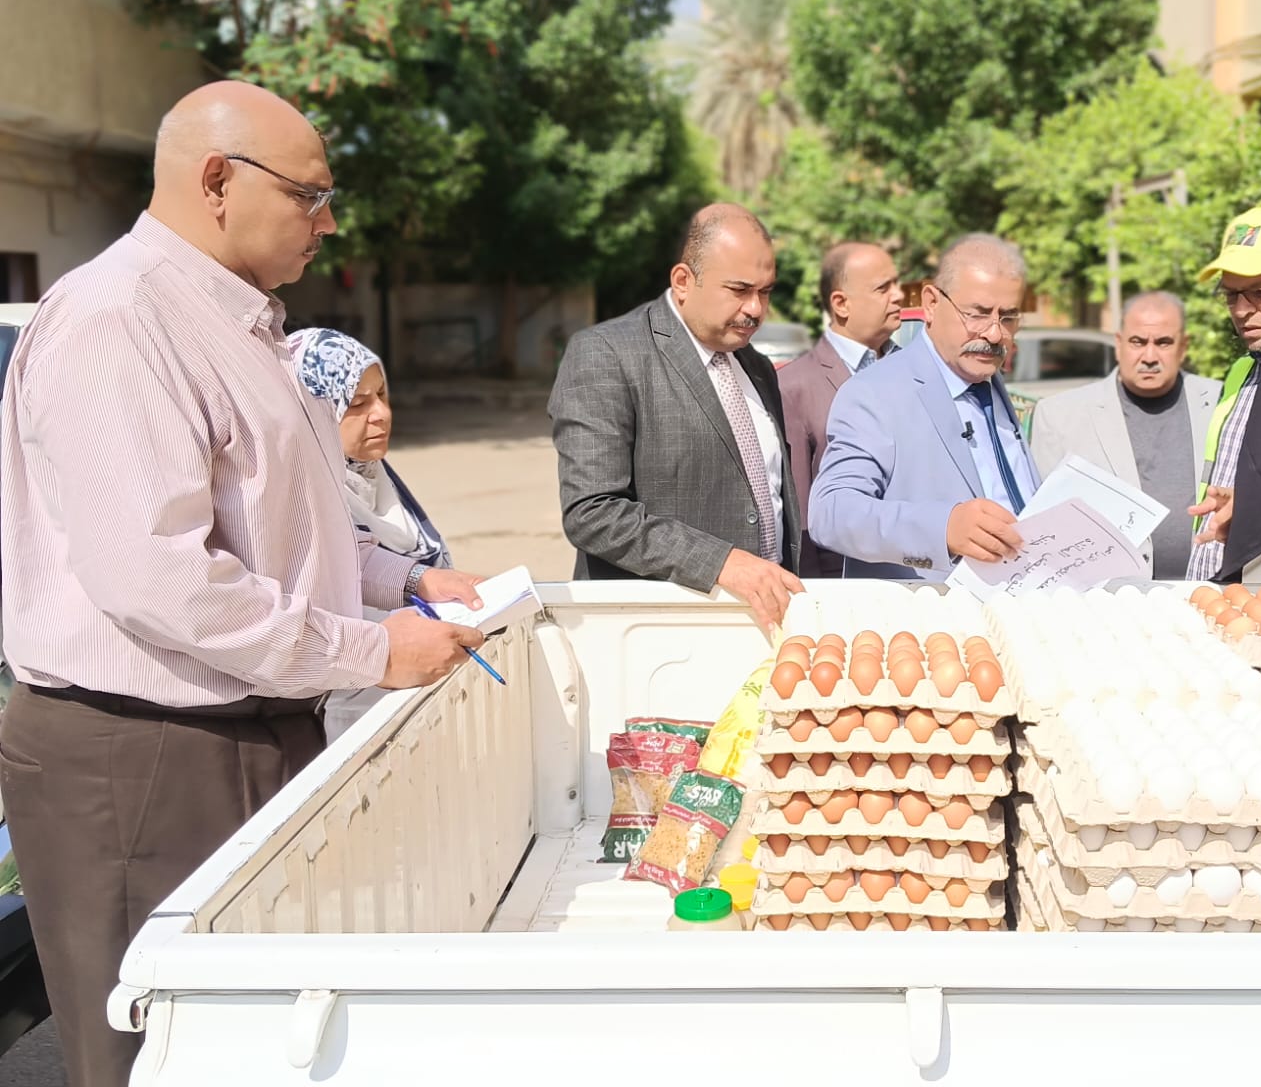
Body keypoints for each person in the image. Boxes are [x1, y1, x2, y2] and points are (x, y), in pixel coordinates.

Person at [0, 80, 488, 1087]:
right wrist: (371, 651)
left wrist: (409, 582)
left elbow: (283, 529)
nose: (328, 221)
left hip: (242, 724)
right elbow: (160, 577)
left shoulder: (244, 325)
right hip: (141, 753)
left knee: (259, 1045)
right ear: (217, 181)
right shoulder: (119, 318)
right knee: (157, 1054)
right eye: (309, 195)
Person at [549, 203, 803, 631]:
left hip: (766, 620)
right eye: (739, 290)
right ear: (683, 281)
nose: (757, 309)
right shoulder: (607, 354)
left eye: (766, 292)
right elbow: (592, 513)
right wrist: (722, 562)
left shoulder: (756, 366)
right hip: (658, 630)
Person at [809, 233, 1040, 579]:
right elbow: (832, 513)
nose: (994, 334)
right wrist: (943, 529)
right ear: (931, 303)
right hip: (932, 610)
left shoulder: (990, 384)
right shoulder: (874, 393)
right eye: (976, 314)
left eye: (1008, 318)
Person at [288, 326, 460, 739]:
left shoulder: (380, 484)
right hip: (340, 722)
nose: (381, 413)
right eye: (357, 403)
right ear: (312, 412)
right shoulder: (299, 501)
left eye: (382, 395)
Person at [1029, 292, 1220, 579]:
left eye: (1163, 343)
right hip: (1104, 598)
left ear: (1183, 347)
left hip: (1208, 591)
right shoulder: (1060, 416)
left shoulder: (1222, 402)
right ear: (1118, 344)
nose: (1149, 357)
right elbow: (1043, 525)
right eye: (1137, 342)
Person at [1186, 205, 1261, 581]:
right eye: (1231, 295)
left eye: (1259, 292)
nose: (1240, 310)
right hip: (1211, 585)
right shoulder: (1242, 371)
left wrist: (1257, 507)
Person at [779, 242, 904, 576]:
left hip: (922, 572)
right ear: (841, 303)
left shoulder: (913, 371)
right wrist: (813, 594)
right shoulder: (794, 387)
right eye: (883, 288)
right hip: (845, 581)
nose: (899, 295)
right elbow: (800, 518)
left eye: (897, 284)